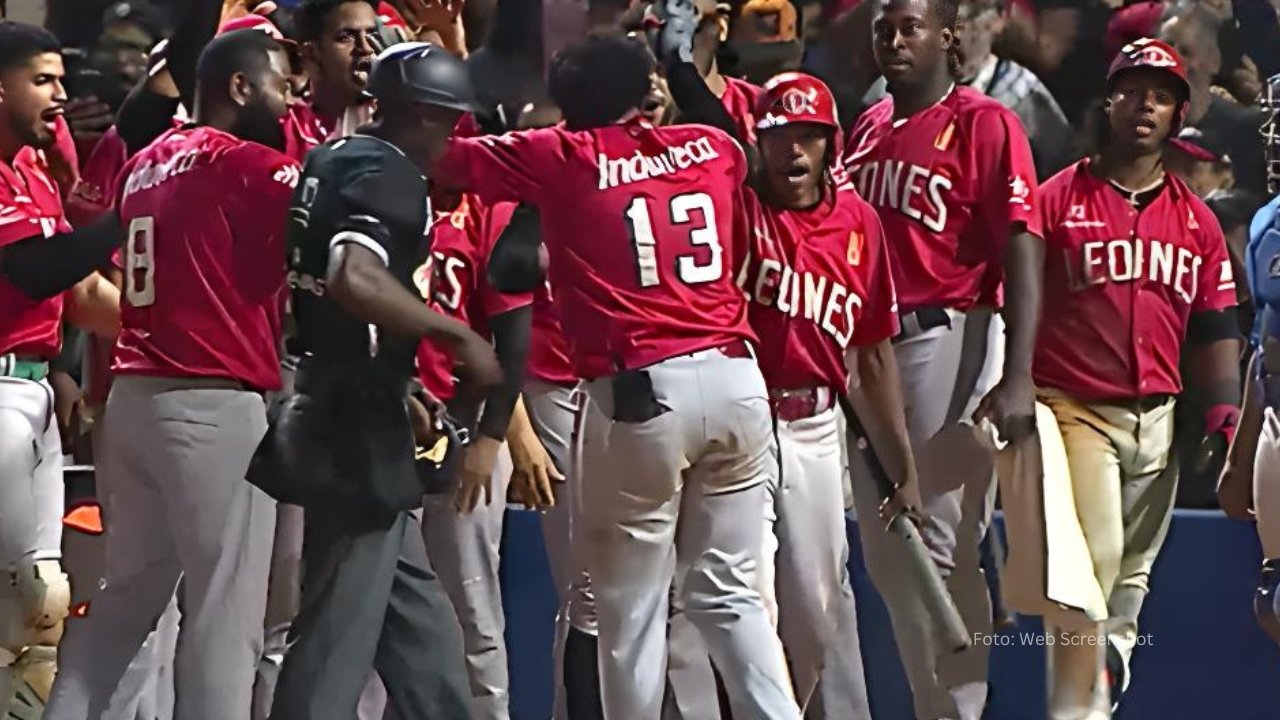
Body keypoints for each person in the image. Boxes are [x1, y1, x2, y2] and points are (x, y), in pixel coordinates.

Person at [436, 32, 802, 720]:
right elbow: (743, 154)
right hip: (735, 381)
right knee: (733, 599)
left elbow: (446, 157)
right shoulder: (710, 147)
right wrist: (683, 72)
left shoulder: (562, 153)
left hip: (641, 393)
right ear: (642, 94)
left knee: (628, 611)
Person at [659, 7, 916, 709]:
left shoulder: (860, 222)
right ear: (758, 144)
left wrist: (901, 467)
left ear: (832, 146)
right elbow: (704, 116)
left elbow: (872, 357)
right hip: (740, 421)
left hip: (815, 427)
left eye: (809, 139)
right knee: (740, 602)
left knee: (817, 611)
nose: (794, 154)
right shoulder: (735, 202)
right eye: (780, 138)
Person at [38, 28, 298, 720]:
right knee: (225, 613)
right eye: (281, 83)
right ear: (240, 87)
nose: (291, 98)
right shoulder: (248, 163)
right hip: (212, 401)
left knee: (126, 602)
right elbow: (319, 220)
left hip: (132, 396)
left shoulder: (146, 161)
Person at [262, 41, 498, 720]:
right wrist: (453, 334)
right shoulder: (390, 173)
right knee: (335, 631)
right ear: (423, 114)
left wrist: (400, 379)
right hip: (349, 418)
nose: (455, 134)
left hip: (337, 388)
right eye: (450, 119)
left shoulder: (332, 156)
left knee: (418, 621)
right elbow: (351, 276)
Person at [842, 0, 1045, 717]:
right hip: (867, 350)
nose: (895, 40)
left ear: (947, 38)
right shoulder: (865, 129)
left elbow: (1022, 244)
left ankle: (960, 707)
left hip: (948, 330)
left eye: (910, 27)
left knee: (938, 538)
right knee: (889, 552)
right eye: (884, 29)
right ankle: (937, 705)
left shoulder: (986, 121)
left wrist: (1018, 373)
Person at [1033, 38, 1242, 719]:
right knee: (1094, 561)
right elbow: (1014, 303)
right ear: (1109, 101)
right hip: (1074, 406)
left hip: (1160, 415)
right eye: (1132, 89)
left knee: (1131, 582)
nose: (1144, 104)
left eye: (1160, 94)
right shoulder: (1055, 199)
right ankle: (1077, 709)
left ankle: (1098, 685)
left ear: (1179, 112)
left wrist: (1223, 415)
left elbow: (1214, 326)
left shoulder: (1198, 222)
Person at [0, 20, 123, 716]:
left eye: (61, 81)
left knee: (42, 603)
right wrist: (127, 217)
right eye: (42, 81)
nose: (59, 97)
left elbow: (74, 294)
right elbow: (38, 266)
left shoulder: (30, 165)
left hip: (35, 388)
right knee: (16, 594)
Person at [413, 190, 550, 720]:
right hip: (389, 418)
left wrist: (492, 437)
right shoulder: (389, 197)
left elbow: (512, 345)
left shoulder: (489, 215)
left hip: (463, 421)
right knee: (378, 605)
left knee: (470, 602)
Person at [1224, 71, 1280, 649]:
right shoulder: (1266, 220)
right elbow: (1264, 348)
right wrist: (1241, 452)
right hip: (1277, 419)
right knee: (1275, 599)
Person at [952, 0, 1074, 179]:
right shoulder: (908, 84)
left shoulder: (1024, 97)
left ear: (1001, 17)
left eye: (971, 14)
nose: (957, 30)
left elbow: (1060, 179)